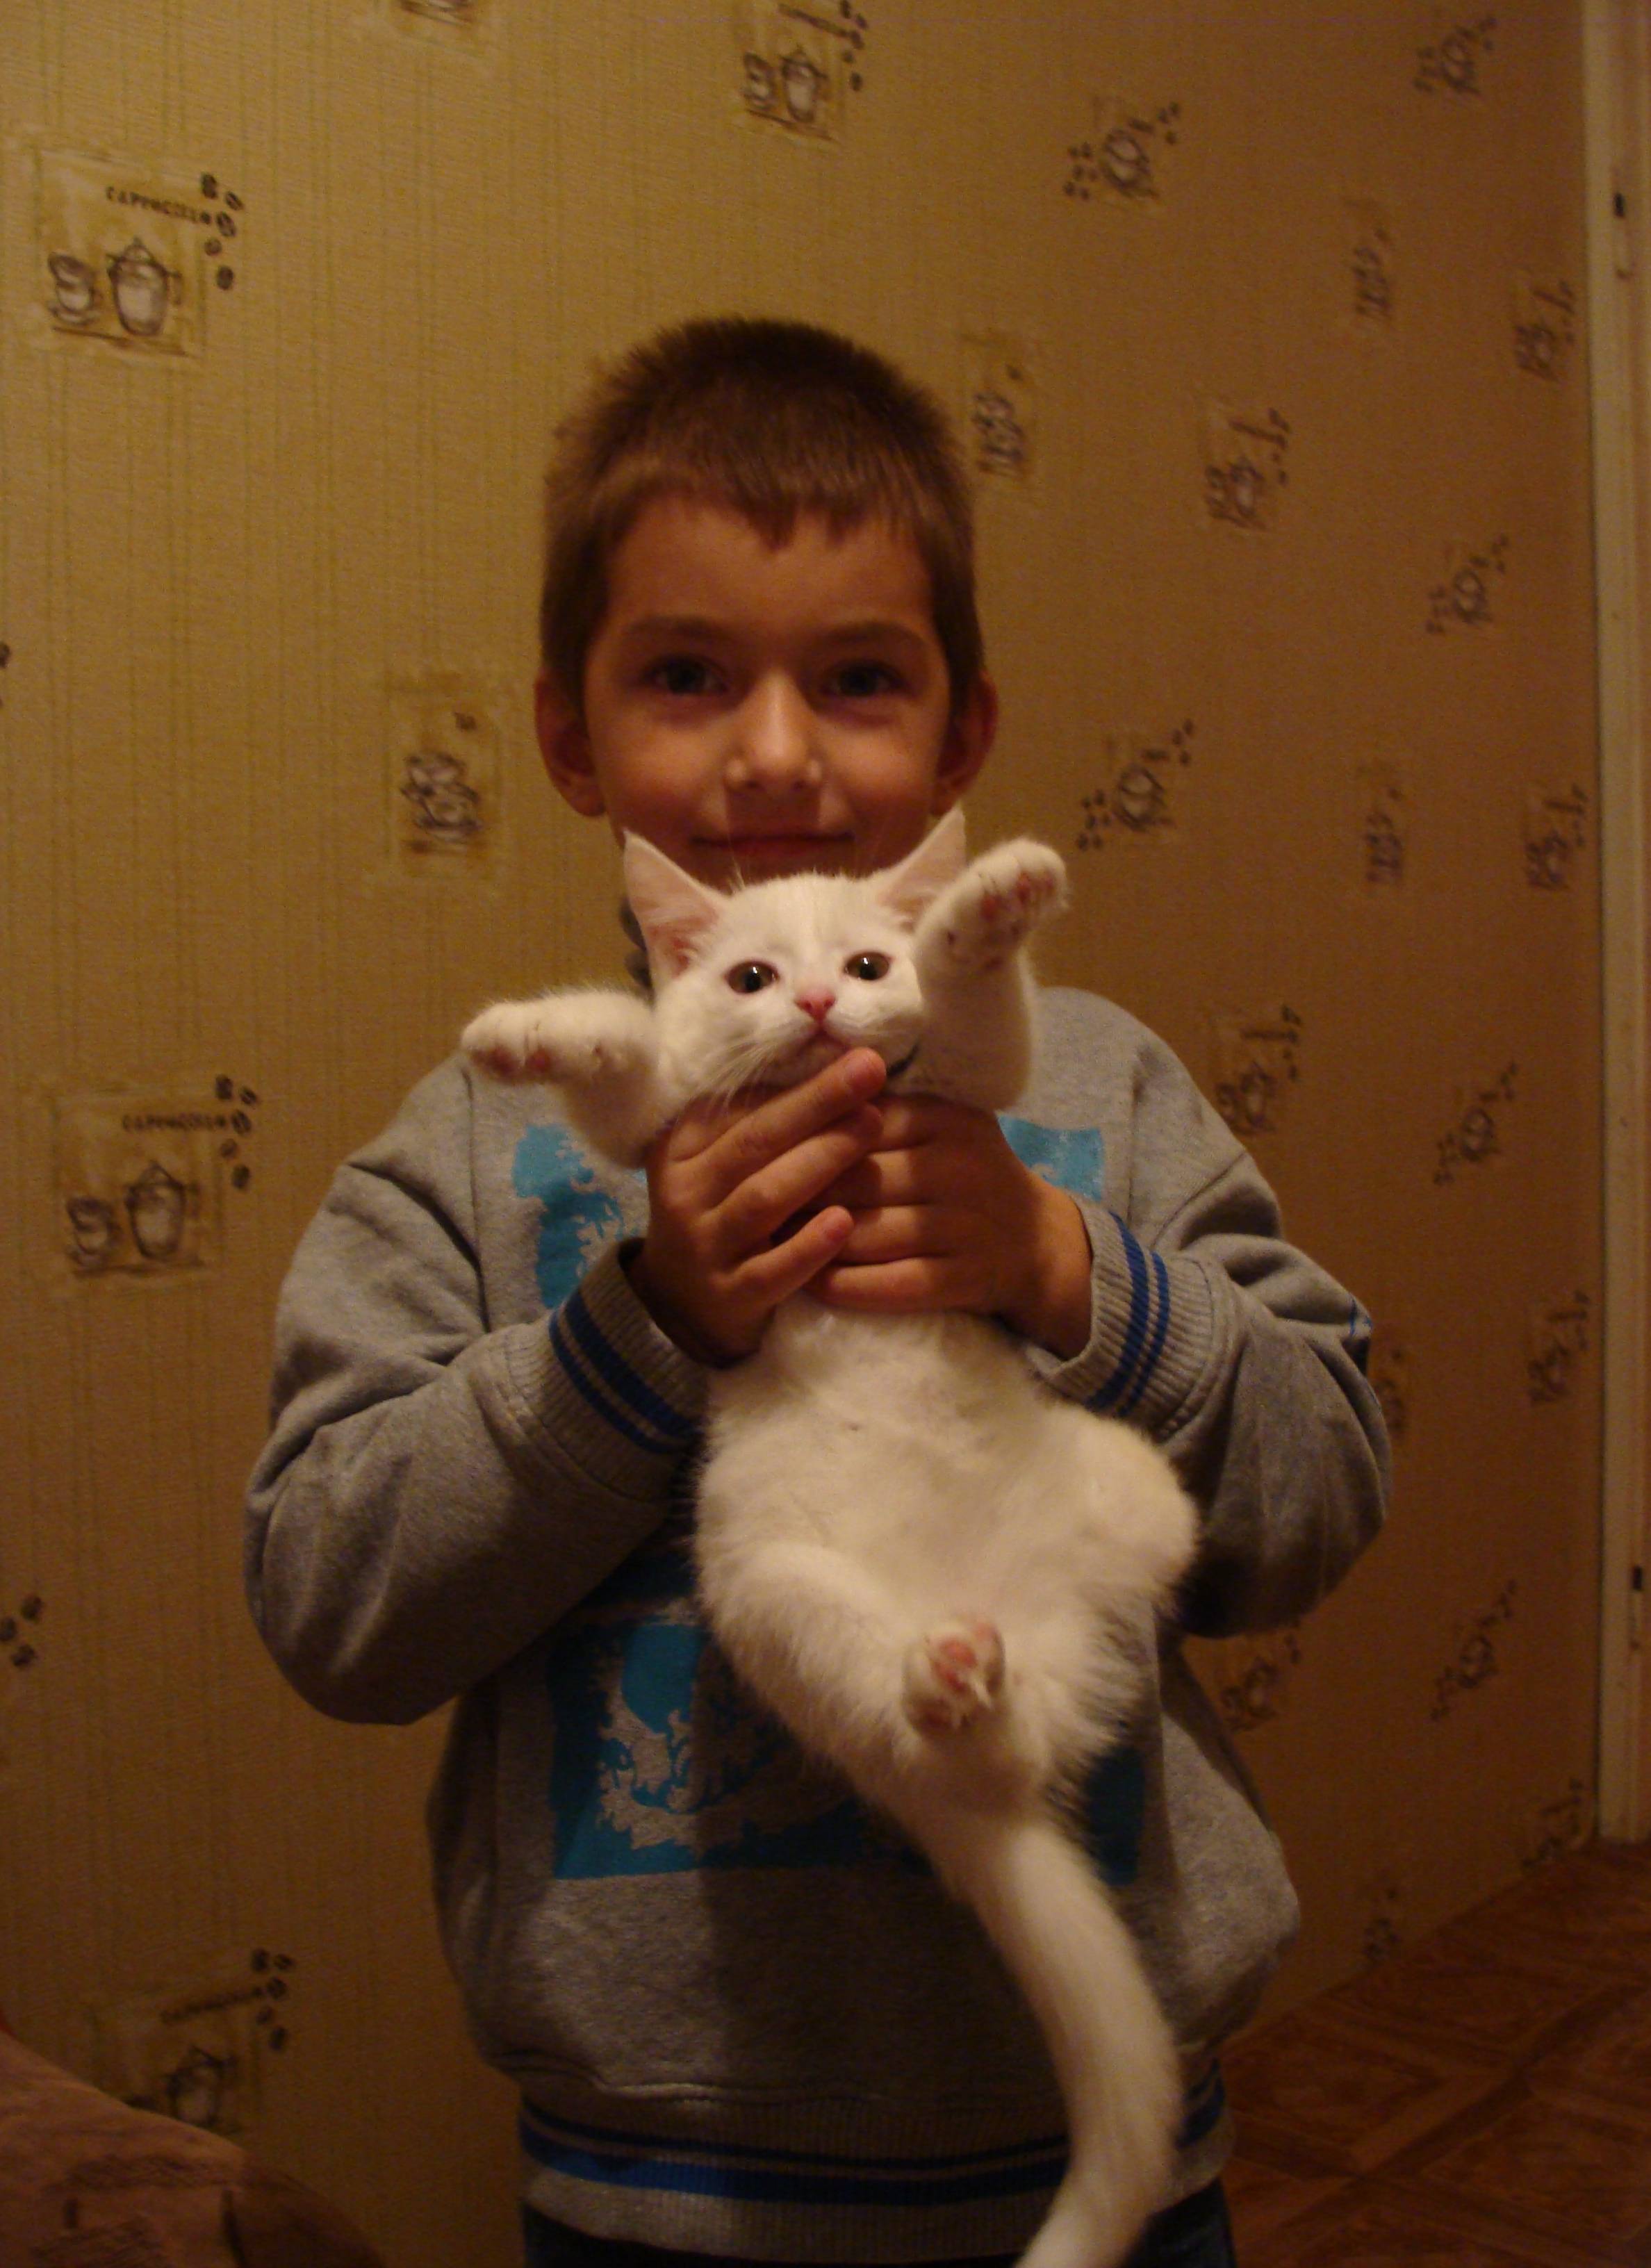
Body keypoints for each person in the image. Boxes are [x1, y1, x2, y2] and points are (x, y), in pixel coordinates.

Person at [246, 317, 1390, 2268]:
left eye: (857, 680)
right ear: (570, 738)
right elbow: (329, 1600)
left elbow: (1324, 1489)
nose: (774, 754)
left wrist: (1066, 1271)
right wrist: (637, 1340)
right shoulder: (479, 1138)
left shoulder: (1099, 1088)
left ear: (960, 740)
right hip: (658, 2179)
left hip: (1100, 2122)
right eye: (687, 676)